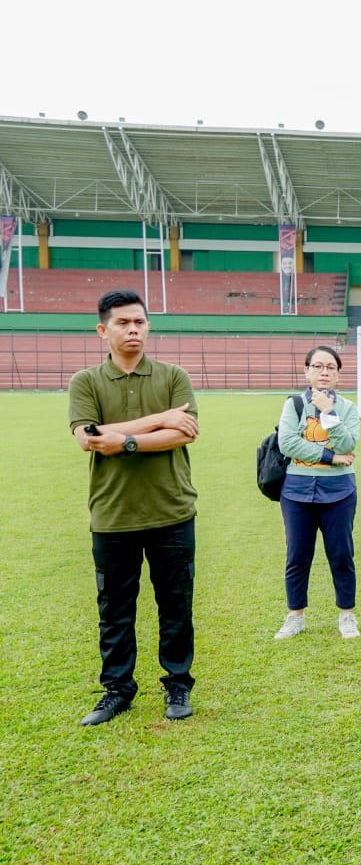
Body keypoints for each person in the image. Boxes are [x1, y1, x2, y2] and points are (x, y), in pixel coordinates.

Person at [68, 289, 201, 725]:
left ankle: (177, 684)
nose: (133, 330)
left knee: (176, 604)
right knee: (115, 610)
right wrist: (157, 419)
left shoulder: (173, 376)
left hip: (172, 512)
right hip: (113, 516)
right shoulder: (86, 382)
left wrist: (124, 439)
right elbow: (87, 439)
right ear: (102, 330)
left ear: (148, 326)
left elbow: (183, 433)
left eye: (140, 322)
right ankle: (117, 689)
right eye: (123, 323)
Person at [273, 346, 361, 641]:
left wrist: (329, 412)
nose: (324, 372)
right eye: (318, 366)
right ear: (307, 371)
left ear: (337, 374)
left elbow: (348, 445)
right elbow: (287, 444)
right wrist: (330, 458)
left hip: (339, 492)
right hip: (297, 491)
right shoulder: (294, 404)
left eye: (330, 368)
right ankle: (295, 615)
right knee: (297, 555)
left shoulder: (347, 408)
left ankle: (347, 615)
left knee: (341, 554)